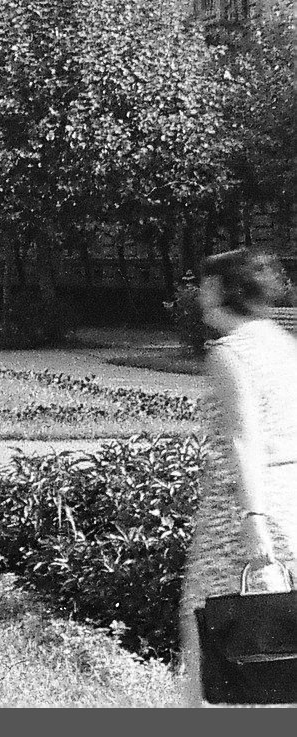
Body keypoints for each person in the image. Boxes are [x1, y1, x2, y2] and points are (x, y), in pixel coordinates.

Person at [179, 247, 297, 706]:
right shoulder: (279, 343)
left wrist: (254, 521)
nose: (198, 293)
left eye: (205, 283)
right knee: (278, 635)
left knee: (217, 636)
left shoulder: (231, 354)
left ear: (223, 289)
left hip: (244, 510)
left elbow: (243, 439)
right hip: (289, 497)